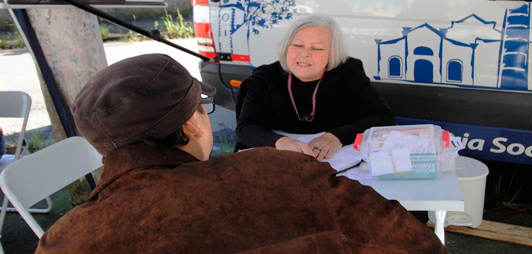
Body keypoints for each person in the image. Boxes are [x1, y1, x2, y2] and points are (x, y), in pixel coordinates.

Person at [35, 53, 447, 254]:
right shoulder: (285, 174)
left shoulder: (63, 240)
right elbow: (414, 245)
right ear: (191, 124)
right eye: (203, 106)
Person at [236, 15, 395, 160]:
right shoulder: (264, 79)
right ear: (285, 48)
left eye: (317, 48)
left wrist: (336, 137)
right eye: (297, 45)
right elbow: (246, 128)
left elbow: (383, 118)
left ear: (332, 54)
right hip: (279, 163)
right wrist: (280, 142)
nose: (304, 54)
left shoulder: (349, 75)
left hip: (336, 166)